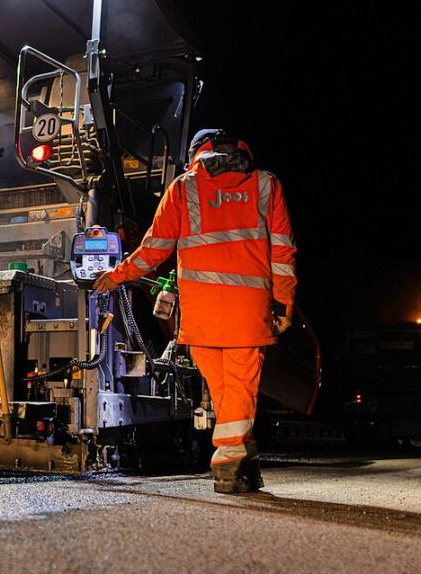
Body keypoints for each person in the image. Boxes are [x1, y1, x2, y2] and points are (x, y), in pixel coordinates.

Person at [95, 129, 297, 493]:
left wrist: (116, 275)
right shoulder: (266, 185)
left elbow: (154, 249)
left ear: (196, 154)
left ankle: (243, 462)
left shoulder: (184, 188)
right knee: (237, 392)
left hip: (200, 316)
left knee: (227, 393)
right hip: (247, 313)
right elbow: (283, 254)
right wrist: (283, 304)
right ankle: (229, 465)